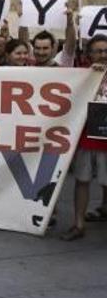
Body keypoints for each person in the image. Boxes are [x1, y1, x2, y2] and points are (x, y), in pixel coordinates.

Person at [61, 34, 107, 241]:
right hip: (86, 138)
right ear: (89, 54)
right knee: (82, 181)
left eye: (106, 51)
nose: (103, 55)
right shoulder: (81, 74)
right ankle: (78, 224)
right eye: (98, 51)